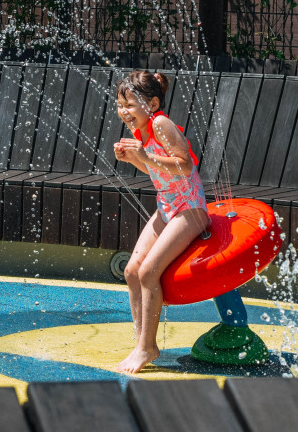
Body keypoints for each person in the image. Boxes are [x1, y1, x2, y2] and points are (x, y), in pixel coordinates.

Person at [113, 70, 209, 374]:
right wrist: (133, 159)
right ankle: (143, 340)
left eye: (130, 105)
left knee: (148, 272)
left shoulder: (159, 124)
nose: (123, 111)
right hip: (167, 206)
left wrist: (143, 155)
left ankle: (146, 348)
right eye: (119, 105)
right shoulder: (141, 130)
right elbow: (155, 171)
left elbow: (184, 165)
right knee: (131, 270)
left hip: (190, 208)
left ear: (152, 103)